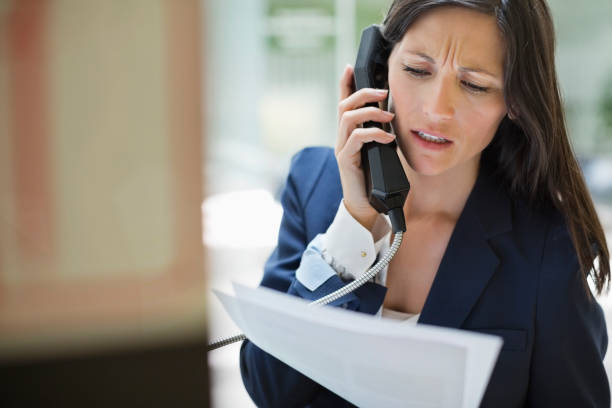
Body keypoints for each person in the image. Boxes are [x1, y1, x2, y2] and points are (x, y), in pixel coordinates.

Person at [240, 0, 611, 406]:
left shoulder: (547, 246)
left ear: (515, 102)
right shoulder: (312, 183)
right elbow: (269, 388)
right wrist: (352, 227)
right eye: (417, 70)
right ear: (377, 68)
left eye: (475, 85)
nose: (436, 110)